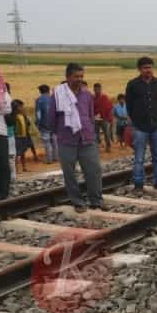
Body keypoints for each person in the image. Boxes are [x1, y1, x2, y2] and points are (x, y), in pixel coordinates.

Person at [48, 63, 106, 213]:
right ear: (68, 77)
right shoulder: (57, 96)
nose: (79, 79)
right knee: (70, 174)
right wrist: (59, 134)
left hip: (87, 138)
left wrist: (91, 132)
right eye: (76, 76)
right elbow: (51, 118)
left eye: (81, 76)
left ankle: (96, 200)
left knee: (94, 170)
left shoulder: (87, 95)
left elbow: (90, 116)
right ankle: (78, 202)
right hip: (66, 140)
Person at [125, 57, 157, 193]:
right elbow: (129, 105)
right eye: (145, 68)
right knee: (139, 157)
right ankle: (138, 183)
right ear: (139, 69)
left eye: (150, 67)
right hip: (140, 127)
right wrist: (134, 122)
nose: (148, 70)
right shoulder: (132, 85)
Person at [0, 61, 12, 200]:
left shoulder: (0, 86)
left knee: (2, 164)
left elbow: (8, 108)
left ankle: (2, 194)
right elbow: (1, 107)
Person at [35, 84, 58, 164]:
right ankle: (56, 157)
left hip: (44, 125)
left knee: (47, 142)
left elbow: (38, 114)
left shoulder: (39, 100)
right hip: (54, 124)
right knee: (55, 141)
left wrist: (38, 123)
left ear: (40, 91)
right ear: (48, 90)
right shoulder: (53, 99)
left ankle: (49, 159)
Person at [13, 100, 35, 172]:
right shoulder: (14, 116)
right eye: (21, 106)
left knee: (23, 152)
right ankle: (16, 169)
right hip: (17, 136)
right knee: (17, 153)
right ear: (16, 107)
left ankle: (24, 167)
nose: (22, 108)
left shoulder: (23, 115)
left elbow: (27, 124)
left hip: (24, 135)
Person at [92, 83, 114, 153]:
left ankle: (108, 146)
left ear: (101, 89)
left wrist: (107, 117)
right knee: (96, 134)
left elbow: (109, 107)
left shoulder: (105, 97)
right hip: (96, 119)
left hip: (105, 119)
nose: (97, 90)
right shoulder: (92, 98)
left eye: (98, 89)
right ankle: (97, 146)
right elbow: (91, 108)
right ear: (94, 89)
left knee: (106, 133)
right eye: (96, 89)